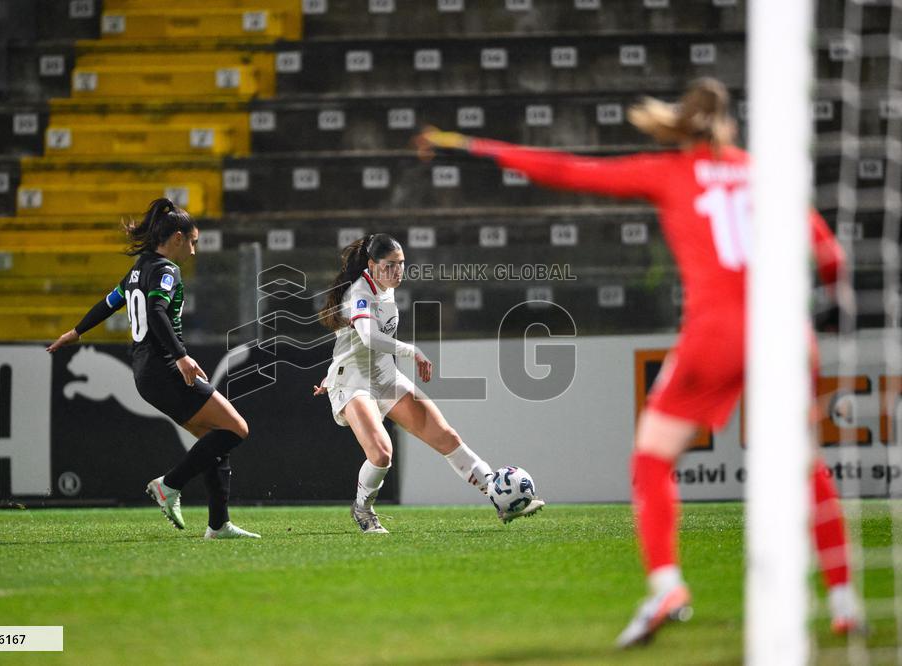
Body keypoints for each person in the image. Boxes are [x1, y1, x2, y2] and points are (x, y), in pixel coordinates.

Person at [416, 77, 862, 646]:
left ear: (682, 125)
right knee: (804, 463)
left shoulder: (670, 171)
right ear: (729, 125)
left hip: (715, 334)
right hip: (786, 333)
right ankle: (845, 602)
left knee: (652, 458)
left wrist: (473, 146)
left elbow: (571, 171)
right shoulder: (765, 174)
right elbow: (831, 256)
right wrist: (832, 305)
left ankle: (667, 587)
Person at [47, 197, 259, 540]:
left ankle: (219, 525)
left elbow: (109, 303)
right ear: (177, 237)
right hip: (164, 368)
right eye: (192, 242)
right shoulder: (165, 271)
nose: (193, 250)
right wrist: (181, 356)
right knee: (237, 429)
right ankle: (169, 485)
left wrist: (77, 331)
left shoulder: (138, 269)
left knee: (214, 439)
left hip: (146, 373)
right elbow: (157, 311)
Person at [313, 233, 545, 533]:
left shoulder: (386, 288)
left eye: (401, 264)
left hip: (385, 377)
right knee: (381, 454)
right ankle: (363, 508)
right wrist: (412, 351)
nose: (398, 271)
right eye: (390, 265)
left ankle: (498, 494)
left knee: (446, 436)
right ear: (371, 265)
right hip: (353, 383)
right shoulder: (360, 293)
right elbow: (368, 337)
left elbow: (353, 341)